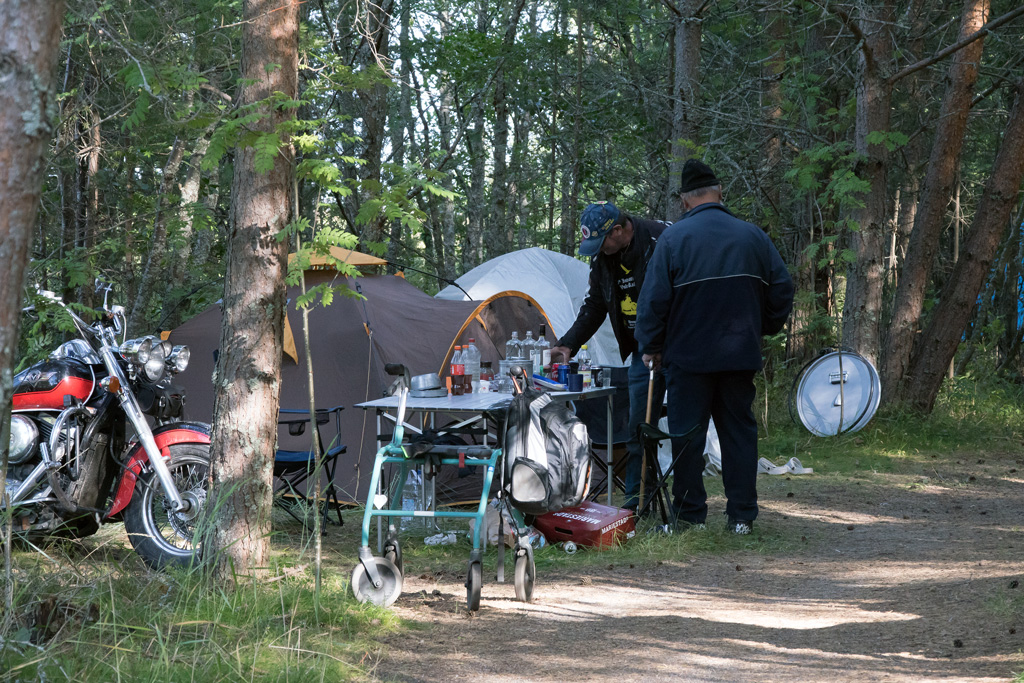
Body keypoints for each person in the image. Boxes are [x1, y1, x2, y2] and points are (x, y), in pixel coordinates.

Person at [636, 159, 794, 534]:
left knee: (687, 437)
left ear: (684, 200)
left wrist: (651, 345)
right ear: (720, 193)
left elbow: (653, 301)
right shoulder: (753, 236)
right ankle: (741, 517)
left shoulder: (673, 240)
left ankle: (690, 516)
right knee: (739, 434)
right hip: (739, 355)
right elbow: (783, 289)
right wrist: (761, 328)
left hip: (688, 358)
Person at [550, 201, 668, 512]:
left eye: (601, 243)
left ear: (617, 230)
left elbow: (680, 296)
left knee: (684, 426)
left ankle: (685, 507)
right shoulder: (603, 258)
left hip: (678, 346)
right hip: (642, 352)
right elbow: (595, 305)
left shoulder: (660, 240)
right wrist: (568, 344)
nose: (598, 251)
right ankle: (636, 504)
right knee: (639, 427)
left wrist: (660, 342)